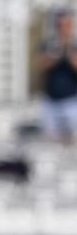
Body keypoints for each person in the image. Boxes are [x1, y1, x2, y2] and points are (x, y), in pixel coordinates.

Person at [37, 10, 77, 142]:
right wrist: (57, 53)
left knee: (72, 139)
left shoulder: (75, 45)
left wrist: (69, 52)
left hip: (71, 100)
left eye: (67, 25)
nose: (63, 28)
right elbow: (42, 66)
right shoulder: (50, 44)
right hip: (50, 100)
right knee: (50, 139)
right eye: (61, 25)